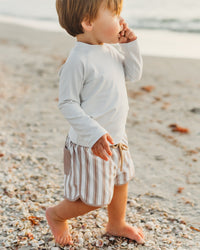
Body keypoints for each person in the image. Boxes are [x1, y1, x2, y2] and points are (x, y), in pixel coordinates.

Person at [46, 0, 144, 246]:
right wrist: (94, 133)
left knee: (121, 181)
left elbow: (132, 74)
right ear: (88, 23)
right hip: (91, 144)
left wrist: (130, 45)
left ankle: (116, 223)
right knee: (94, 198)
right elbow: (67, 103)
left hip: (117, 138)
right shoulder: (77, 61)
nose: (122, 20)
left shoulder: (110, 51)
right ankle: (56, 215)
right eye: (115, 14)